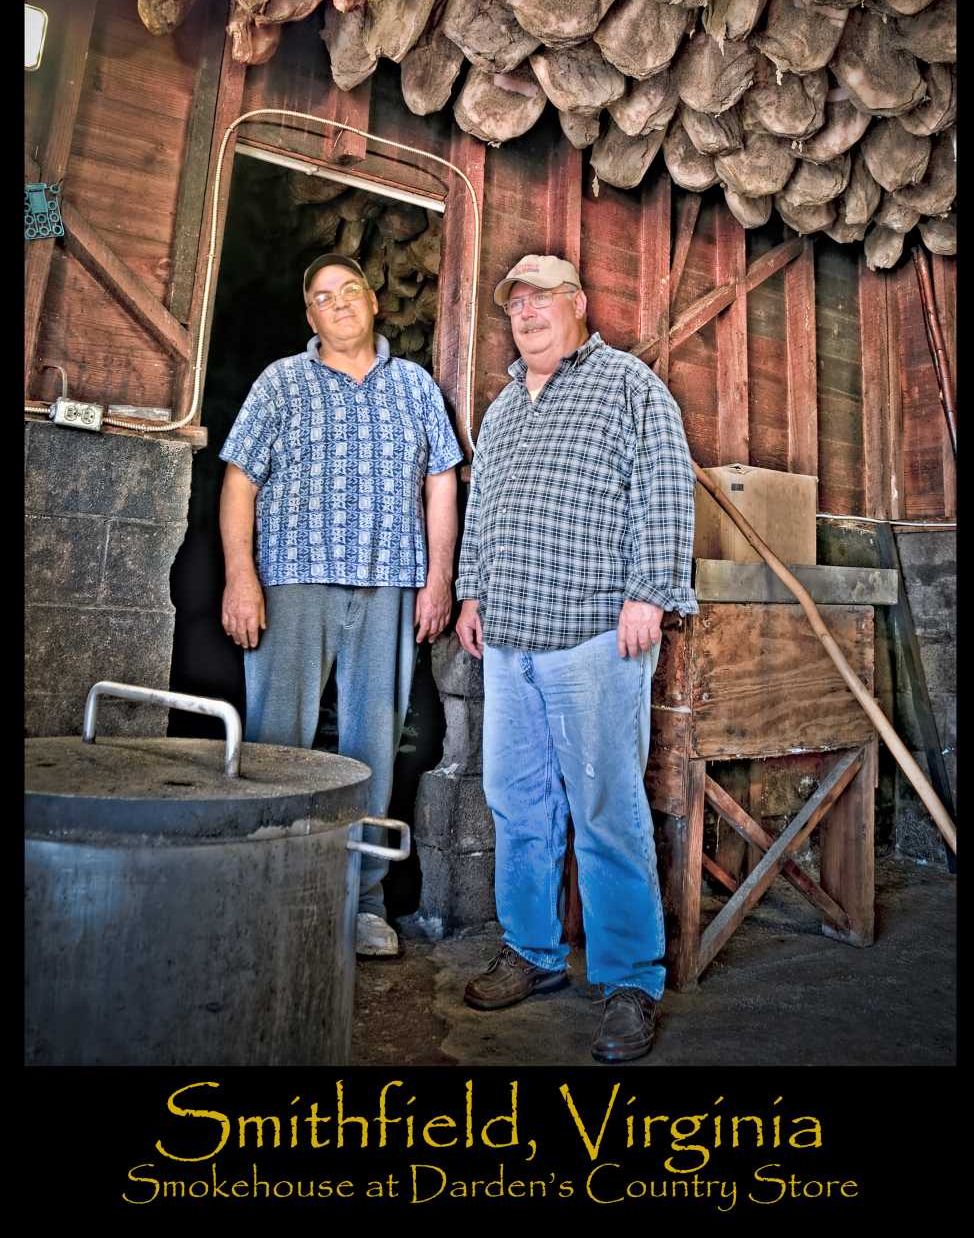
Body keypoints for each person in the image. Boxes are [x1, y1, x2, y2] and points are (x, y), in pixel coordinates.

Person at [455, 254, 698, 1062]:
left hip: (595, 630)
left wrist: (650, 592)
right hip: (510, 635)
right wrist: (470, 592)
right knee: (517, 803)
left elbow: (664, 488)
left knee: (605, 808)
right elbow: (482, 509)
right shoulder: (501, 408)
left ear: (578, 305)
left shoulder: (627, 384)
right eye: (514, 305)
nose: (525, 314)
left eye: (540, 300)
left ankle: (630, 980)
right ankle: (532, 951)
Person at [220, 251, 462, 958]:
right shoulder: (280, 383)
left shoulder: (414, 386)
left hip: (388, 585)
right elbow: (239, 483)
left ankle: (363, 904)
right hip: (292, 581)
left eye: (349, 289)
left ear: (373, 301)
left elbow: (441, 483)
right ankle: (266, 895)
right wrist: (240, 578)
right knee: (276, 744)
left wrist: (439, 579)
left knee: (371, 749)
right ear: (310, 316)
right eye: (323, 297)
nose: (339, 303)